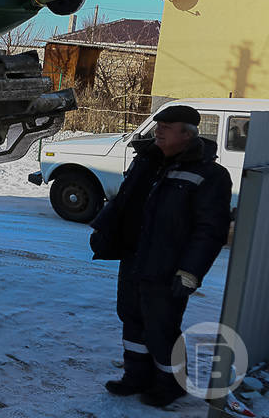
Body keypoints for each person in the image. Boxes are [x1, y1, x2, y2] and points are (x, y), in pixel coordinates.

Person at [90, 104, 231, 407]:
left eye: (167, 127)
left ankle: (171, 384)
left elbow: (210, 230)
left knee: (161, 328)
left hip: (169, 267)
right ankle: (136, 377)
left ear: (187, 134)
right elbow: (124, 202)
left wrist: (190, 272)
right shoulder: (148, 162)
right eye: (158, 126)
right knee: (131, 319)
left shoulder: (211, 174)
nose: (159, 131)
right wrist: (104, 230)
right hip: (134, 258)